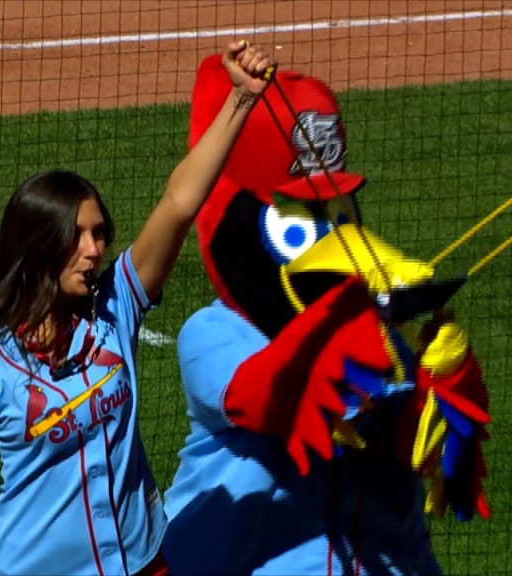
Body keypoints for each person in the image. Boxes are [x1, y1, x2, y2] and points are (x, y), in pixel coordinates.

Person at [0, 40, 276, 576]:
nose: (96, 250)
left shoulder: (116, 305)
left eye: (100, 234)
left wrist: (241, 99)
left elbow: (180, 204)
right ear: (38, 245)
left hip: (146, 564)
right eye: (80, 236)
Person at [160, 54, 491, 576]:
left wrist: (447, 393)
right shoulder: (215, 334)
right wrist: (342, 320)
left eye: (335, 215)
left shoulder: (384, 341)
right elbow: (264, 399)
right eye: (298, 225)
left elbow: (427, 469)